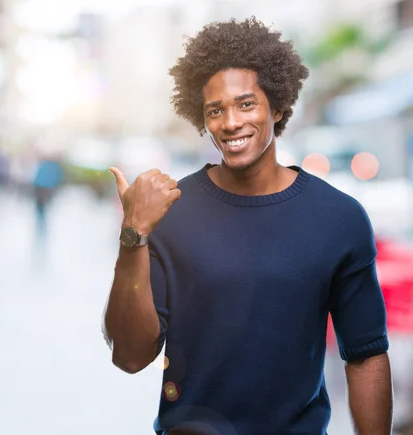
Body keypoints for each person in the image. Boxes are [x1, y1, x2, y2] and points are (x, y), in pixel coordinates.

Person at [102, 18, 392, 435]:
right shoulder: (173, 212)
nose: (231, 122)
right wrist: (134, 236)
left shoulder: (338, 218)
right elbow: (130, 356)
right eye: (215, 110)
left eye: (246, 104)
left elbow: (365, 355)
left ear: (277, 106)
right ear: (203, 120)